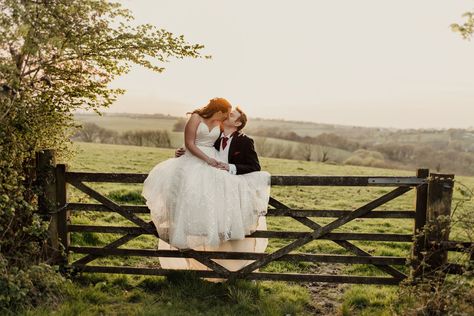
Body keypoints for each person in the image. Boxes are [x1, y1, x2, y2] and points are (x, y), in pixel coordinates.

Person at [142, 98, 270, 255]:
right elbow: (193, 142)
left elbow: (254, 166)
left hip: (218, 166)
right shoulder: (214, 127)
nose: (227, 116)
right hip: (201, 160)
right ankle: (185, 224)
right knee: (191, 186)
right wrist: (182, 152)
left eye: (231, 115)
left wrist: (228, 167)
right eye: (227, 113)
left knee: (215, 188)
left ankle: (219, 228)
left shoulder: (241, 139)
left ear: (237, 124)